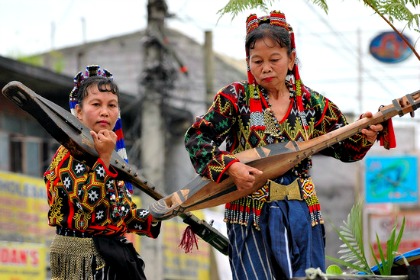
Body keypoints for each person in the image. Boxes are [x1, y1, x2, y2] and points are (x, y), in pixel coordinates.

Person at [184, 11, 389, 279]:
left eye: (274, 59)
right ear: (248, 62)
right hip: (249, 212)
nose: (265, 67)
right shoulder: (235, 98)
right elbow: (197, 138)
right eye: (257, 61)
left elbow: (345, 148)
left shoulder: (313, 104)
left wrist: (366, 133)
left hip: (302, 212)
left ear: (291, 59)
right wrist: (231, 167)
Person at [44, 65, 161, 280]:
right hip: (82, 258)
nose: (105, 111)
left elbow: (118, 215)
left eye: (112, 105)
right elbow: (89, 202)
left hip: (112, 256)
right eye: (96, 104)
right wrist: (104, 158)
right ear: (78, 111)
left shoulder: (109, 154)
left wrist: (158, 213)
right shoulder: (70, 153)